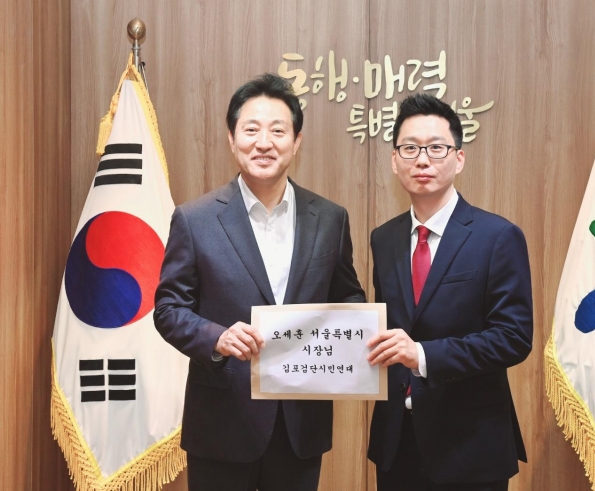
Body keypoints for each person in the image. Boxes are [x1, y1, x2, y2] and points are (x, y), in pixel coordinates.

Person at [154, 73, 365, 491]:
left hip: (300, 423)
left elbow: (349, 298)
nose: (264, 143)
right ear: (232, 139)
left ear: (297, 141)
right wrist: (216, 337)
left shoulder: (330, 219)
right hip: (222, 421)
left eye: (278, 131)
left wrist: (356, 334)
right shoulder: (195, 220)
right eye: (251, 130)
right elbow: (168, 309)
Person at [366, 93, 533, 491]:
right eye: (410, 148)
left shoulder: (498, 236)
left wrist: (423, 355)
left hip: (470, 445)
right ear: (394, 160)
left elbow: (513, 338)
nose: (422, 160)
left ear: (459, 159)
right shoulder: (384, 239)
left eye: (436, 148)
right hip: (397, 443)